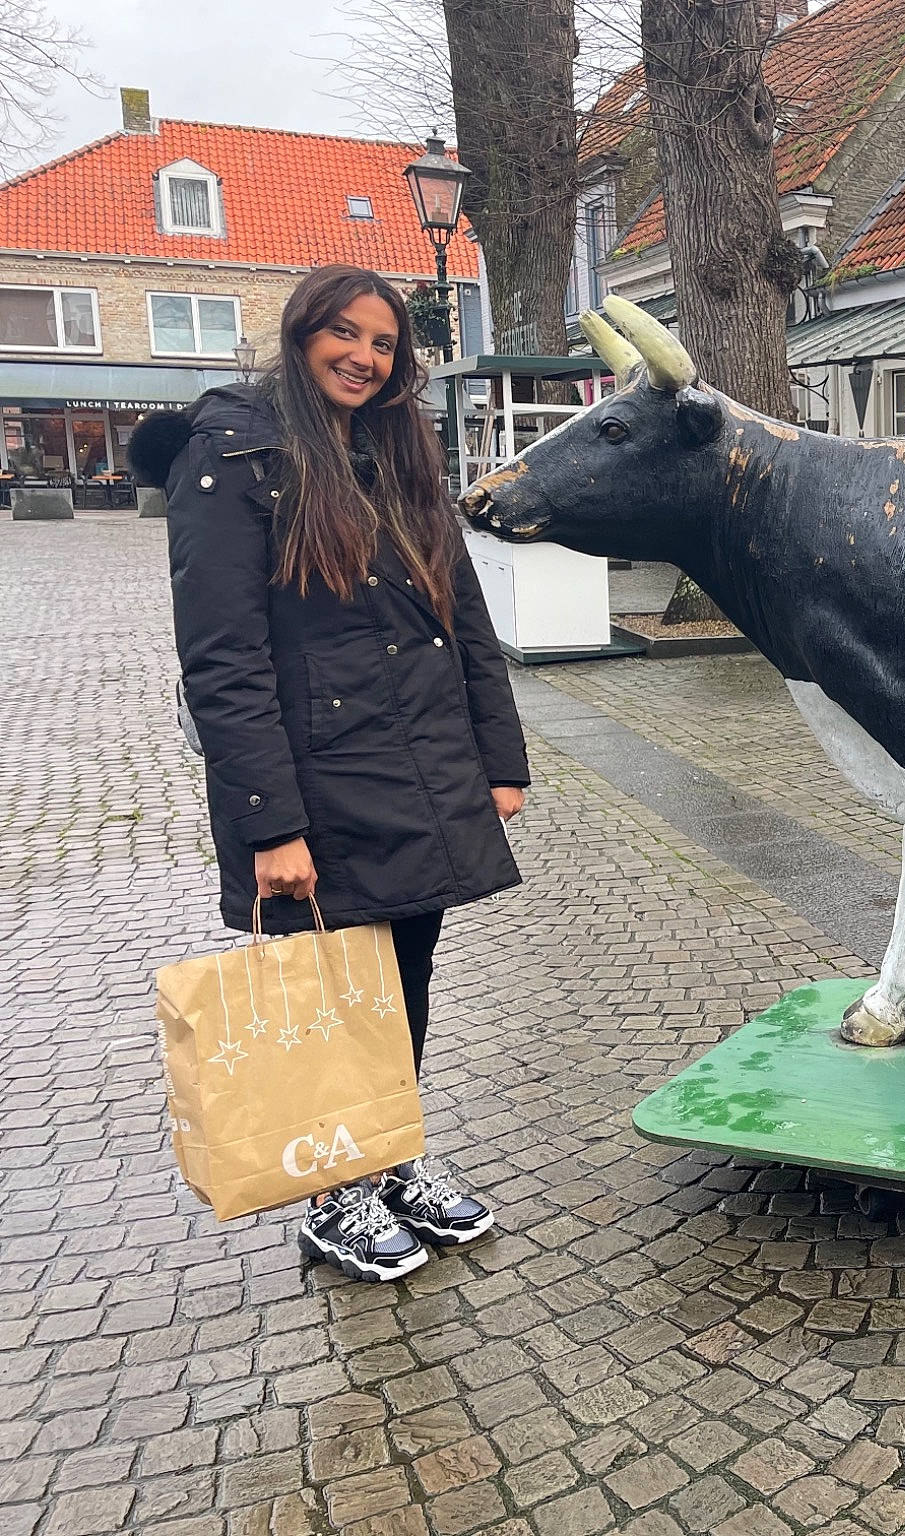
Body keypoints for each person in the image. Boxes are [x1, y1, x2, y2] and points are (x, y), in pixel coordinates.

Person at [135, 264, 529, 1285]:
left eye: (384, 343)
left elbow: (463, 616)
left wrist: (498, 758)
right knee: (328, 987)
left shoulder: (395, 449)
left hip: (421, 763)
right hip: (316, 775)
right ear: (301, 333)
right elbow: (222, 656)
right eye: (344, 335)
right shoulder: (235, 451)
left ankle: (389, 1150)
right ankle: (332, 1188)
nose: (363, 356)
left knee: (402, 980)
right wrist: (271, 824)